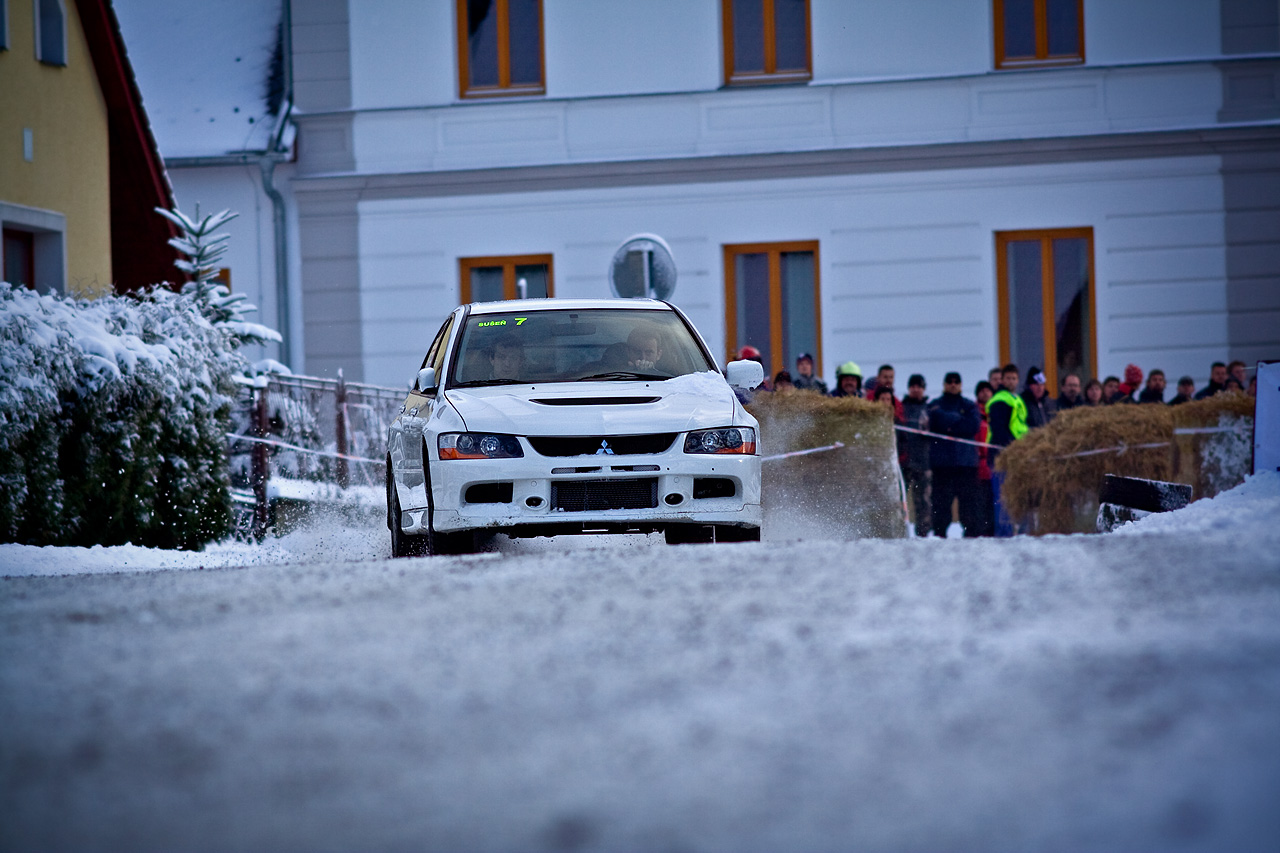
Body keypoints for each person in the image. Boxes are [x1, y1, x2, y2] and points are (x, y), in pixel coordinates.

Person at [927, 372, 981, 538]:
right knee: (941, 505)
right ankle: (939, 536)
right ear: (944, 384)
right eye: (949, 382)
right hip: (942, 465)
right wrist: (958, 420)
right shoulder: (934, 404)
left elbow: (973, 425)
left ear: (961, 385)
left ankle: (970, 536)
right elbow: (932, 420)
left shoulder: (969, 404)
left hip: (965, 464)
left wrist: (948, 425)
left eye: (956, 382)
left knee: (968, 505)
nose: (953, 384)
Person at [986, 363, 1026, 537]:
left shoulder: (1015, 398)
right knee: (1003, 497)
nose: (1011, 381)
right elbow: (1000, 430)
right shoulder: (1000, 400)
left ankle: (1012, 531)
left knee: (1013, 495)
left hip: (1017, 452)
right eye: (1008, 378)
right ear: (1002, 379)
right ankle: (1004, 534)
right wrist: (1013, 447)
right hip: (1003, 454)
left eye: (1014, 378)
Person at [900, 374, 932, 537]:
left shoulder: (929, 408)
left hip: (923, 461)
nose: (916, 389)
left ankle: (923, 534)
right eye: (912, 386)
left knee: (924, 503)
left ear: (923, 388)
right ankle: (899, 532)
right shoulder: (902, 407)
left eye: (919, 386)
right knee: (901, 500)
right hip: (905, 462)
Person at [973, 380, 996, 536]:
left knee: (993, 500)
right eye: (982, 391)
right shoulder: (974, 412)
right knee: (980, 500)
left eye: (988, 390)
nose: (985, 393)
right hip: (979, 463)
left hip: (993, 463)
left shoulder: (996, 413)